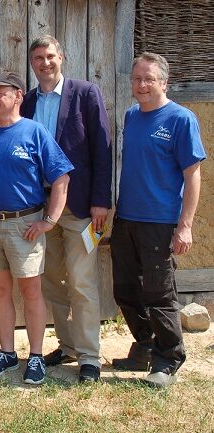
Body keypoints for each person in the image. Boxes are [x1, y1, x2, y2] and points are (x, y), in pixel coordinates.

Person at [0, 72, 73, 385]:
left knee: (31, 291)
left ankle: (36, 355)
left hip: (25, 225)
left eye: (0, 93)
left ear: (18, 96)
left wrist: (49, 221)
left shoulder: (34, 131)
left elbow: (61, 177)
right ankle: (7, 353)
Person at [111, 52, 205, 388]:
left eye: (149, 79)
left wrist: (185, 225)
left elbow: (192, 175)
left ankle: (168, 360)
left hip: (160, 222)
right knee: (125, 289)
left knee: (159, 294)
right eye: (137, 79)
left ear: (164, 82)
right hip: (126, 218)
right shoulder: (132, 116)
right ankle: (146, 346)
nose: (142, 85)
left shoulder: (181, 119)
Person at [21, 35, 112, 383]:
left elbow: (102, 149)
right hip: (40, 207)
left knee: (82, 281)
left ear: (62, 57)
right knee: (52, 281)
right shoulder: (27, 101)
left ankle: (89, 357)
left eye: (50, 56)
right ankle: (69, 345)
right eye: (38, 58)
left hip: (80, 207)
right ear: (32, 64)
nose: (45, 63)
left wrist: (100, 200)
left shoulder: (85, 94)